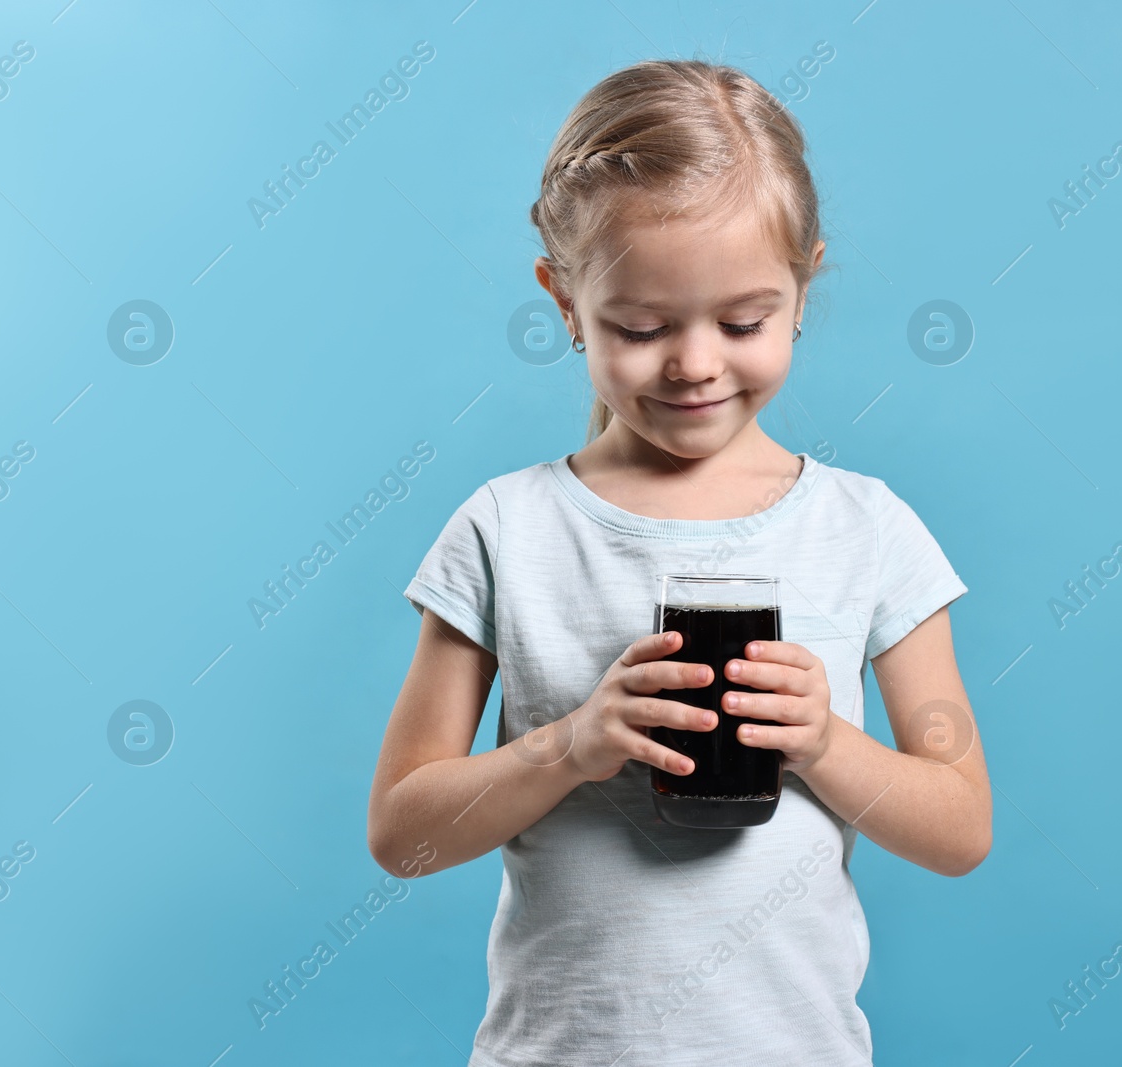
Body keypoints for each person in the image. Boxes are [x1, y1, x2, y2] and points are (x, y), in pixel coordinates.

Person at [366, 57, 991, 1067]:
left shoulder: (866, 528)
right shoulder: (505, 528)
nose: (694, 362)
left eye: (742, 322)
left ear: (802, 289)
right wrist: (570, 745)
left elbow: (960, 825)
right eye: (641, 326)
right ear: (565, 300)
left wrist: (823, 740)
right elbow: (404, 832)